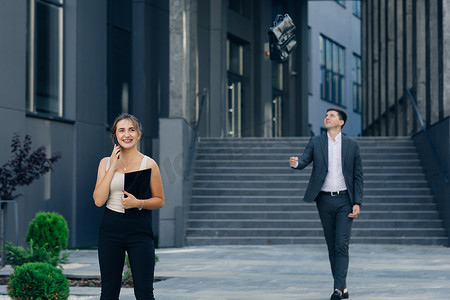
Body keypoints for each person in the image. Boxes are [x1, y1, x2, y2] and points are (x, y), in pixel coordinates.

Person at [289, 108, 363, 300]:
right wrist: (295, 163)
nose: (327, 117)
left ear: (341, 122)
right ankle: (343, 288)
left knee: (341, 245)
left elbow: (357, 176)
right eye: (326, 115)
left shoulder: (351, 145)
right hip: (324, 200)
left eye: (332, 115)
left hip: (345, 200)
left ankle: (337, 290)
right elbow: (304, 161)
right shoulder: (316, 141)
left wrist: (357, 202)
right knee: (332, 246)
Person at [93, 113, 165, 300]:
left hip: (139, 228)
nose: (127, 134)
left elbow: (159, 200)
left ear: (139, 134)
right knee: (108, 292)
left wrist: (138, 203)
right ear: (115, 135)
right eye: (121, 130)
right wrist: (112, 168)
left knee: (144, 293)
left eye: (131, 130)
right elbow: (99, 201)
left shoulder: (149, 164)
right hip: (110, 228)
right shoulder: (105, 163)